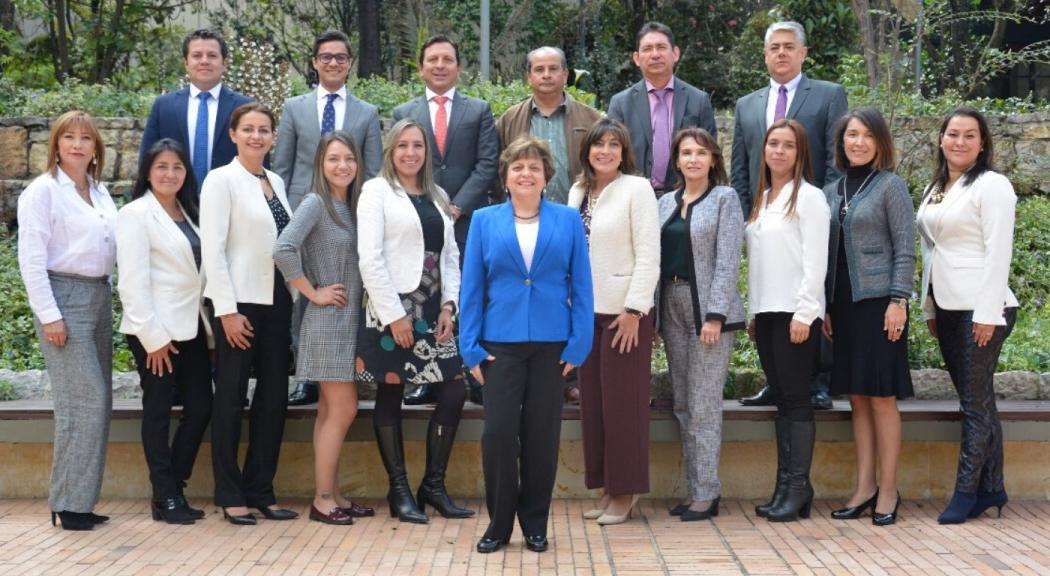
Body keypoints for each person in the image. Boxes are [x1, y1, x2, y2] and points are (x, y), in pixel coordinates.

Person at [460, 136, 593, 554]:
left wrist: (578, 345)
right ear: (506, 175)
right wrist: (470, 347)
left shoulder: (568, 220)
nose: (525, 173)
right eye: (518, 166)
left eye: (534, 167)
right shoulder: (484, 220)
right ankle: (499, 524)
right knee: (498, 435)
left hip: (552, 346)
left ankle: (535, 522)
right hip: (500, 344)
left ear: (545, 176)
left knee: (542, 437)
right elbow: (472, 287)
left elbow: (583, 285)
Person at [355, 118, 471, 524]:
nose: (410, 152)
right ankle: (399, 489)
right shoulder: (376, 192)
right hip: (393, 310)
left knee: (454, 391)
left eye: (417, 145)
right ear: (391, 149)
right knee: (391, 394)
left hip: (433, 309)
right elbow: (369, 258)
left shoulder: (437, 194)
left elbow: (451, 255)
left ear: (426, 152)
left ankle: (433, 486)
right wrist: (394, 316)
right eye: (402, 145)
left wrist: (449, 306)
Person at [732, 20, 847, 411]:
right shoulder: (747, 105)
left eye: (788, 46)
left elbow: (835, 160)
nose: (781, 53)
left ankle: (818, 378)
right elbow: (742, 168)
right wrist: (751, 217)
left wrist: (822, 207)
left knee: (814, 288)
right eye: (773, 47)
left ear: (803, 53)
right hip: (766, 216)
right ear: (764, 55)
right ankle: (776, 377)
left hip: (809, 212)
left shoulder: (829, 96)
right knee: (772, 297)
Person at [916, 107, 1019, 525]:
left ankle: (965, 494)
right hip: (947, 305)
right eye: (952, 134)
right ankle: (992, 487)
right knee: (979, 403)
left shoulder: (992, 186)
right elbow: (931, 251)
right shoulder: (937, 187)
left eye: (969, 135)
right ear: (941, 138)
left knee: (974, 408)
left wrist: (987, 313)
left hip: (983, 308)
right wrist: (929, 305)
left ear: (982, 143)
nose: (959, 142)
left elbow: (999, 253)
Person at [17, 110, 117, 531]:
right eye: (69, 137)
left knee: (99, 403)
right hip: (63, 298)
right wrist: (50, 316)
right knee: (84, 401)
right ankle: (68, 503)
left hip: (98, 296)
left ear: (96, 148)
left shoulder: (100, 191)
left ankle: (80, 500)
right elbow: (31, 260)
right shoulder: (42, 192)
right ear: (55, 144)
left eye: (86, 138)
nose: (77, 144)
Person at [200, 102, 298, 526]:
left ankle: (261, 489)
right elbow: (213, 249)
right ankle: (229, 491)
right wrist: (226, 311)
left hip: (277, 302)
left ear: (273, 137)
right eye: (248, 129)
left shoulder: (274, 180)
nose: (257, 136)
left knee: (274, 399)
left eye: (264, 130)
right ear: (233, 134)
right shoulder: (220, 181)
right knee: (231, 399)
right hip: (239, 305)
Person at [274, 29, 383, 407]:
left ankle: (349, 368)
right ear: (314, 62)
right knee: (303, 298)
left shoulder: (367, 113)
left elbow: (372, 171)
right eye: (326, 57)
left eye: (340, 57)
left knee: (342, 292)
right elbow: (282, 168)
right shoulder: (294, 108)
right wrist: (288, 217)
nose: (333, 62)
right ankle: (307, 375)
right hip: (302, 216)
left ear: (349, 64)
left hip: (345, 215)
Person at [392, 34, 499, 406]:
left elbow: (487, 163)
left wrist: (455, 207)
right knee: (428, 300)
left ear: (458, 67)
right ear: (421, 67)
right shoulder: (403, 113)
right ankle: (427, 377)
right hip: (419, 225)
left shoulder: (479, 110)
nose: (439, 65)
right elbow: (399, 166)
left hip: (467, 223)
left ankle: (476, 375)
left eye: (447, 59)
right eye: (432, 59)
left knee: (470, 298)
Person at [274, 131, 374, 525]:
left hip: (348, 321)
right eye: (334, 158)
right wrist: (311, 292)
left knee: (330, 413)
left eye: (348, 158)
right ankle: (321, 500)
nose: (342, 165)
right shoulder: (315, 202)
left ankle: (332, 494)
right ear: (320, 163)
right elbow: (283, 248)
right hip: (328, 320)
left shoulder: (351, 205)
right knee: (344, 408)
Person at [823, 108, 915, 526]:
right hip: (842, 306)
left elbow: (906, 248)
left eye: (866, 136)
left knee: (881, 397)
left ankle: (889, 489)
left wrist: (900, 300)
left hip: (880, 305)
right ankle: (863, 488)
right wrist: (824, 305)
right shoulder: (831, 189)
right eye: (851, 135)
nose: (857, 142)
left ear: (880, 142)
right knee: (857, 398)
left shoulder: (891, 186)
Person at [566, 119, 660, 525]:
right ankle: (607, 487)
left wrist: (636, 310)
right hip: (587, 315)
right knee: (596, 406)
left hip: (625, 315)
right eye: (598, 144)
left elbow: (649, 254)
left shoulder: (637, 189)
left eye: (614, 145)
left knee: (625, 406)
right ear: (587, 150)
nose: (605, 151)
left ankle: (626, 492)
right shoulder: (578, 191)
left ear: (624, 152)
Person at [117, 139, 213, 525]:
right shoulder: (135, 214)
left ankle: (174, 483)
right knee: (157, 411)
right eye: (161, 167)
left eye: (177, 167)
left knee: (201, 407)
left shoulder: (191, 212)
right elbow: (132, 282)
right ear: (147, 171)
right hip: (154, 331)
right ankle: (165, 494)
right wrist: (152, 339)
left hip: (190, 327)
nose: (169, 174)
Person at [657, 128, 745, 522]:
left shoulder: (725, 199)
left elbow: (728, 261)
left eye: (701, 153)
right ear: (676, 160)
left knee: (704, 404)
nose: (693, 159)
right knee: (682, 403)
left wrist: (715, 316)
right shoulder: (664, 203)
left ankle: (707, 494)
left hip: (707, 310)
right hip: (671, 306)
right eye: (686, 153)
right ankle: (696, 488)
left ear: (713, 159)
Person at [746, 119, 829, 523]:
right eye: (773, 143)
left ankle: (797, 487)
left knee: (796, 400)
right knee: (782, 398)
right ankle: (787, 487)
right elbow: (760, 262)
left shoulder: (809, 198)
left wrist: (806, 312)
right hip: (766, 313)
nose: (779, 151)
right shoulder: (763, 197)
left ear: (800, 153)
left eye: (788, 145)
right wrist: (752, 311)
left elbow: (816, 261)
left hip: (796, 314)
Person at [607, 21, 717, 196]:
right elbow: (611, 156)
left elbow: (711, 156)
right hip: (633, 199)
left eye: (661, 47)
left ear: (675, 53)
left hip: (686, 199)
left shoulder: (698, 100)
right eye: (648, 49)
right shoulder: (620, 103)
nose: (655, 54)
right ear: (636, 58)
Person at [140, 29, 252, 189]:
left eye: (212, 55)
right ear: (186, 63)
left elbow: (258, 160)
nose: (204, 61)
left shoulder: (245, 107)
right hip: (175, 202)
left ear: (224, 63)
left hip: (232, 202)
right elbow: (147, 159)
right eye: (197, 55)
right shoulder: (164, 106)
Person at [496, 46, 602, 205]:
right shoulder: (510, 119)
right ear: (529, 77)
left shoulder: (591, 119)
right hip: (524, 216)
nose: (546, 75)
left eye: (553, 69)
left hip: (577, 212)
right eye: (539, 70)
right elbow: (497, 170)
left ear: (565, 75)